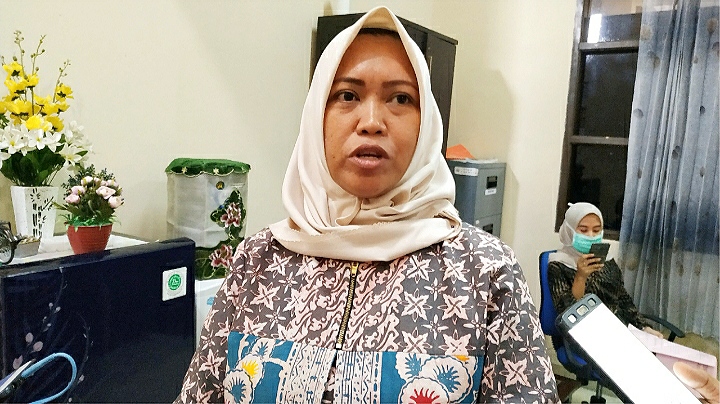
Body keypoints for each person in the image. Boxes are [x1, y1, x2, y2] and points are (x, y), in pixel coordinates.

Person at [176, 6, 558, 403]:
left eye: (400, 98)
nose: (372, 121)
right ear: (317, 117)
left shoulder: (485, 271)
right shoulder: (258, 260)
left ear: (426, 122)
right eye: (347, 95)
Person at [548, 202, 664, 338]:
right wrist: (581, 277)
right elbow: (569, 314)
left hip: (618, 328)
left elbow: (622, 298)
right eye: (583, 230)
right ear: (569, 231)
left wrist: (643, 327)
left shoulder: (607, 260)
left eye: (596, 230)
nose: (591, 236)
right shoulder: (558, 264)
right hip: (585, 334)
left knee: (654, 348)